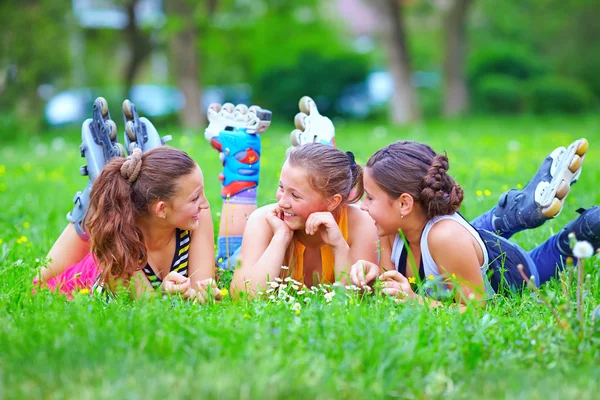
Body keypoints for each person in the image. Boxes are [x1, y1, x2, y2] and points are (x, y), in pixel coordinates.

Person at [350, 139, 597, 305]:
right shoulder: (390, 229)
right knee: (472, 234)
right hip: (467, 248)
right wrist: (374, 282)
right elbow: (391, 281)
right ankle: (512, 212)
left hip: (510, 271)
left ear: (404, 203)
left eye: (370, 197)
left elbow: (474, 309)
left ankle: (586, 228)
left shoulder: (444, 237)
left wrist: (416, 301)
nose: (363, 205)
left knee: (554, 255)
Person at [35, 98, 219, 302]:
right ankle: (94, 200)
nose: (205, 204)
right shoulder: (118, 235)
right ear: (161, 209)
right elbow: (148, 309)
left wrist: (194, 293)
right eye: (195, 198)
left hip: (133, 223)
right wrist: (168, 295)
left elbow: (203, 289)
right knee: (38, 288)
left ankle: (110, 189)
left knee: (109, 212)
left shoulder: (198, 216)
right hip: (91, 274)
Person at [204, 98, 379, 294]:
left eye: (295, 195)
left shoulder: (360, 223)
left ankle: (325, 157)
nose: (281, 201)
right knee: (227, 260)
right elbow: (242, 296)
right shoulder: (264, 219)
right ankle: (241, 160)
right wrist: (281, 237)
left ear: (332, 202)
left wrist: (338, 245)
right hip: (247, 251)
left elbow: (358, 297)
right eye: (281, 187)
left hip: (338, 210)